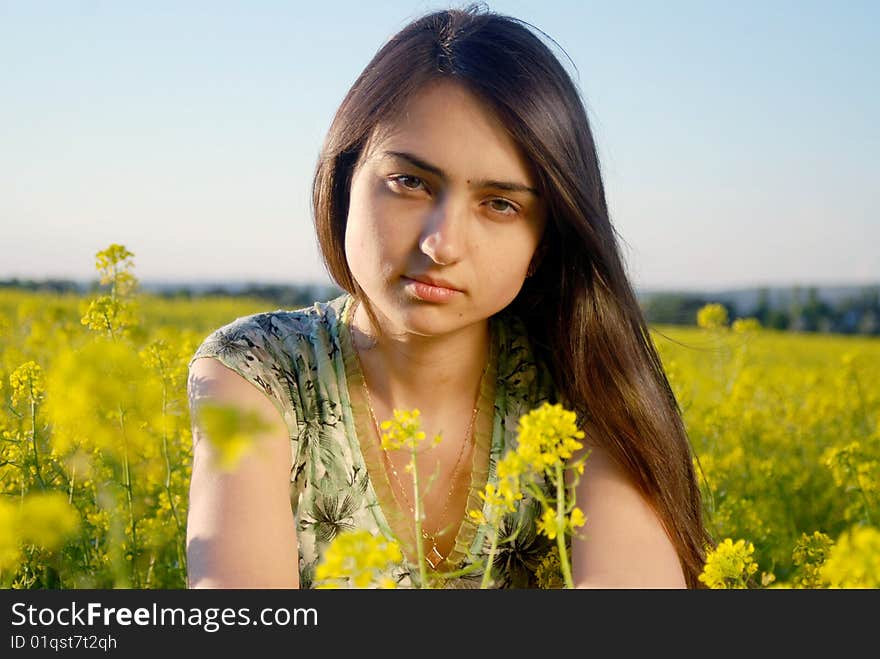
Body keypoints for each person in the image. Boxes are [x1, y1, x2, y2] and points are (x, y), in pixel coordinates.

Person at [185, 4, 711, 589]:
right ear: (343, 180)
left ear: (543, 242)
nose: (441, 244)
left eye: (500, 204)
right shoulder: (257, 371)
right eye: (410, 182)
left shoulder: (581, 388)